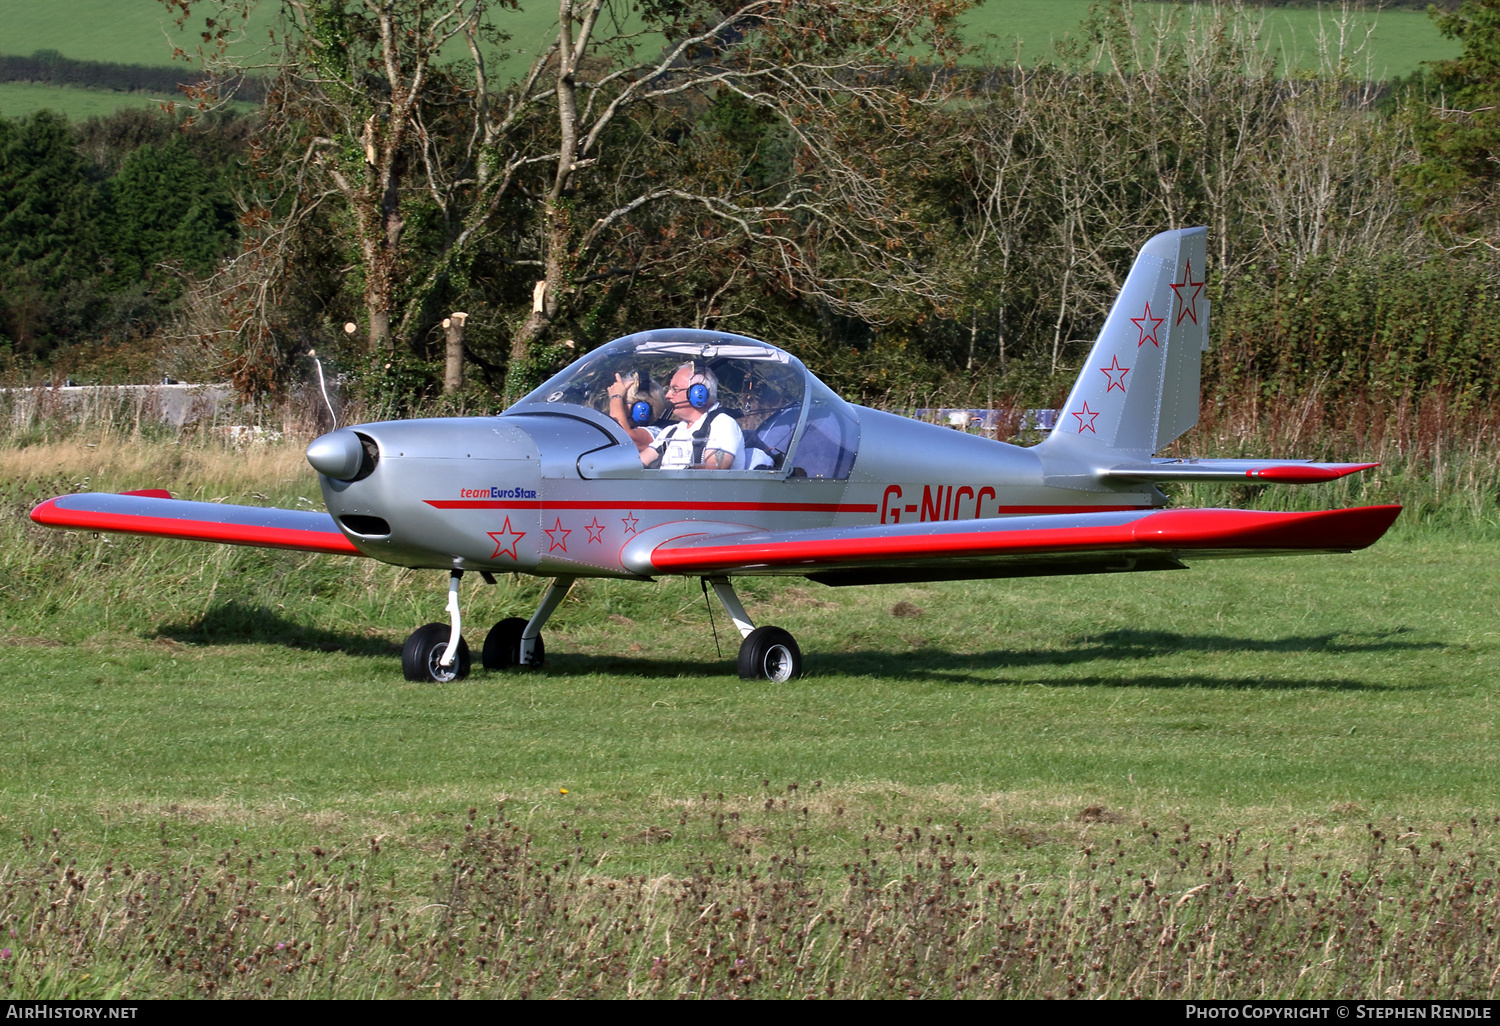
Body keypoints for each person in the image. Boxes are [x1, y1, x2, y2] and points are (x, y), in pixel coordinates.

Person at [642, 361, 744, 469]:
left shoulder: (722, 424)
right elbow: (638, 464)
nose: (668, 395)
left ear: (698, 393)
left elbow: (714, 470)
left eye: (675, 389)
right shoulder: (671, 432)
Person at [605, 371, 667, 454]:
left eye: (622, 402)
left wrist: (616, 397)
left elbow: (624, 438)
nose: (616, 407)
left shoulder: (656, 433)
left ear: (642, 408)